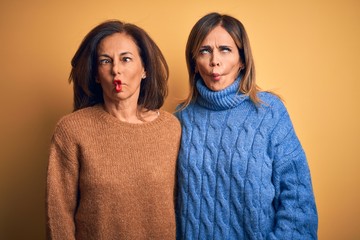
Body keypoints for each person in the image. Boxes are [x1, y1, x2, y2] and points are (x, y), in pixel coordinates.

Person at [175, 12, 318, 240]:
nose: (215, 60)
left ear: (242, 60)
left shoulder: (269, 112)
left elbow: (298, 197)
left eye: (225, 49)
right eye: (204, 50)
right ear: (194, 62)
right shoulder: (178, 120)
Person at [46, 20, 181, 240]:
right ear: (97, 75)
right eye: (105, 61)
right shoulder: (71, 130)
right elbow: (58, 215)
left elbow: (180, 205)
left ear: (145, 69)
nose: (116, 69)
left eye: (126, 59)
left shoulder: (170, 129)